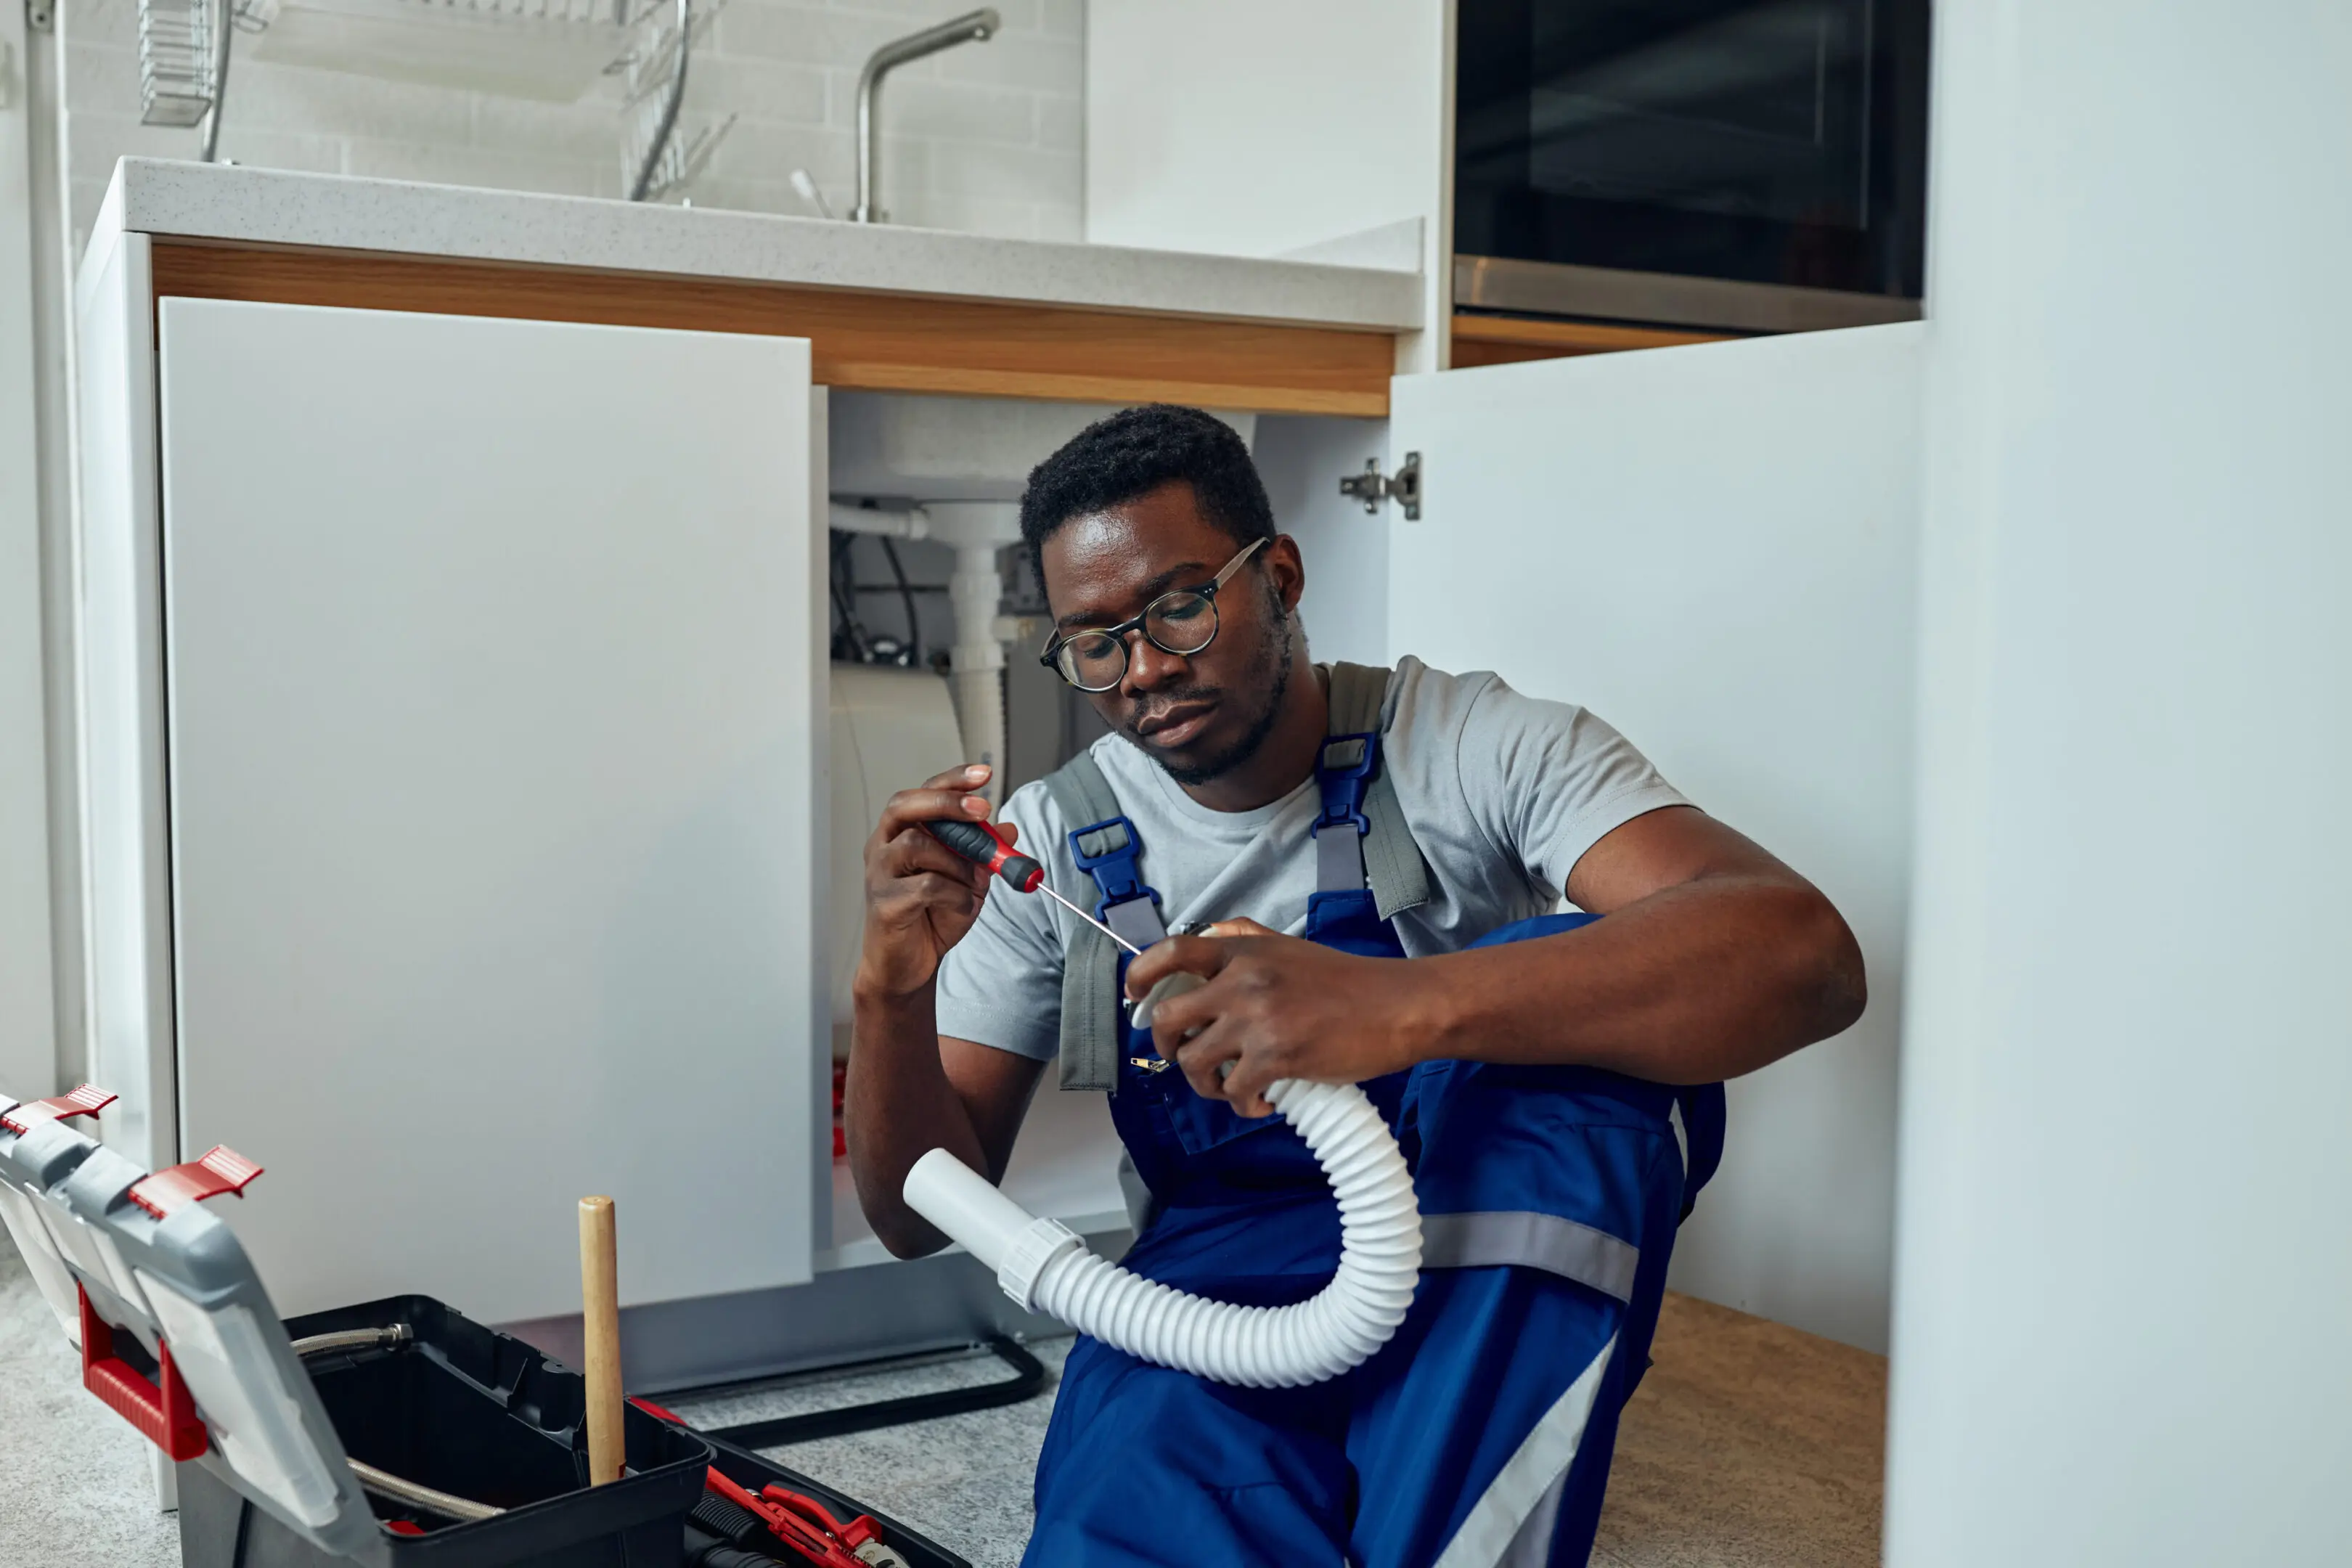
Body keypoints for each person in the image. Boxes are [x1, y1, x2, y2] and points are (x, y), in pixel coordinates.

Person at [846, 404, 1865, 1568]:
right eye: (1095, 643)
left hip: (1473, 1233)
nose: (1142, 674)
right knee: (1124, 1526)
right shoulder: (1058, 842)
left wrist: (1393, 1011)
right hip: (1217, 1298)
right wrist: (890, 989)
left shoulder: (1468, 743)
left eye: (1181, 606)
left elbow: (1803, 954)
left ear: (1277, 575)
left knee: (1579, 1087)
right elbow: (913, 1212)